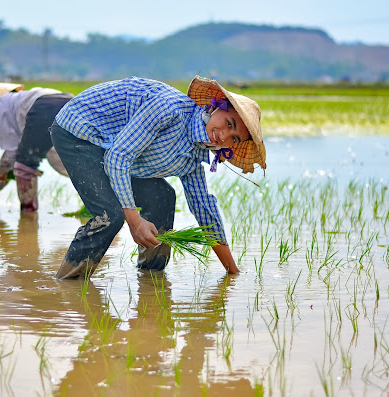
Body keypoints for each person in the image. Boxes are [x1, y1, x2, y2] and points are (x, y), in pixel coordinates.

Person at [50, 75, 267, 279]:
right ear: (214, 107)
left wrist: (232, 271)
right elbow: (118, 158)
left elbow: (204, 210)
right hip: (79, 131)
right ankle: (69, 285)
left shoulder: (192, 158)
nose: (225, 136)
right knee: (111, 215)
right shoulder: (169, 110)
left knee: (163, 196)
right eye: (229, 123)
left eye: (235, 138)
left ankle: (150, 278)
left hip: (110, 148)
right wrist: (134, 221)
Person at [0, 82, 73, 212]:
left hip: (43, 109)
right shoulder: (13, 100)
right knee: (69, 164)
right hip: (69, 102)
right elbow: (17, 154)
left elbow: (13, 153)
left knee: (24, 166)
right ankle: (101, 197)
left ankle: (28, 216)